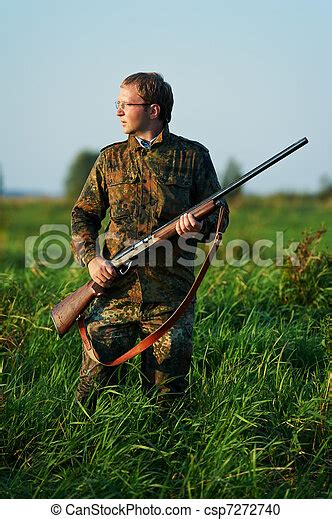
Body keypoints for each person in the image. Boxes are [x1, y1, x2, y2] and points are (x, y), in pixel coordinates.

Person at [71, 72, 229, 411]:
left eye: (125, 104)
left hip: (171, 298)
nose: (118, 111)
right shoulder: (109, 159)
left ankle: (165, 458)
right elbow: (83, 215)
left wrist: (195, 229)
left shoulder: (192, 156)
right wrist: (92, 260)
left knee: (166, 398)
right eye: (119, 104)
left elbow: (218, 216)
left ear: (153, 109)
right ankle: (77, 450)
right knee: (90, 393)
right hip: (115, 291)